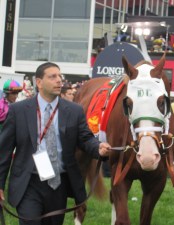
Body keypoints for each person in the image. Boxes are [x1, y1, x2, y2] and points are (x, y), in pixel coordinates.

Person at [0, 62, 111, 225]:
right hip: (28, 182)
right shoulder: (18, 111)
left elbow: (86, 139)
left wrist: (98, 148)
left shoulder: (74, 111)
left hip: (58, 183)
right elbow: (4, 151)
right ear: (39, 82)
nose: (59, 80)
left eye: (60, 76)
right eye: (52, 77)